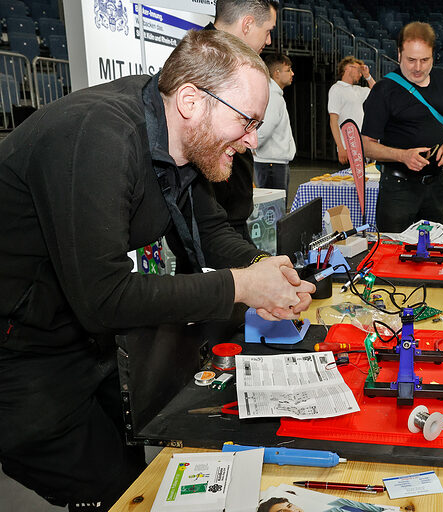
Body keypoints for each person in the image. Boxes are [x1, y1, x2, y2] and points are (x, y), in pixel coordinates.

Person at [0, 30, 315, 511]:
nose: (252, 141)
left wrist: (262, 269)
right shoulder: (99, 136)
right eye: (246, 121)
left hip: (80, 336)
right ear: (191, 99)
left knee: (136, 471)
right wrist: (240, 286)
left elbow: (211, 232)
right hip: (21, 351)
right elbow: (105, 297)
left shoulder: (177, 137)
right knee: (116, 492)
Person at [362, 21, 443, 232]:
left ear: (433, 56)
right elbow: (366, 146)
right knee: (393, 253)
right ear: (399, 54)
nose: (418, 68)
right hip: (398, 190)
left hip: (438, 186)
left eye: (424, 60)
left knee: (433, 250)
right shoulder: (384, 90)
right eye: (411, 60)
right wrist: (403, 156)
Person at [205, 0, 278, 241]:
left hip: (228, 214)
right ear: (247, 24)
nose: (268, 41)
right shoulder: (202, 61)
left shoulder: (230, 59)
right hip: (212, 221)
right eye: (267, 30)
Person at [252, 52, 296, 197]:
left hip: (271, 164)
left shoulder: (273, 94)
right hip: (270, 165)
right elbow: (264, 130)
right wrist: (253, 145)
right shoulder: (273, 97)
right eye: (288, 70)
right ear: (276, 73)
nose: (292, 73)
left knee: (274, 211)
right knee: (273, 213)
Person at [327, 56, 376, 166]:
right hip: (347, 147)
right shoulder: (336, 89)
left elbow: (377, 91)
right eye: (358, 71)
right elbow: (333, 121)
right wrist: (340, 148)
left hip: (361, 147)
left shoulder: (358, 90)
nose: (360, 74)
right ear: (348, 68)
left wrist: (367, 76)